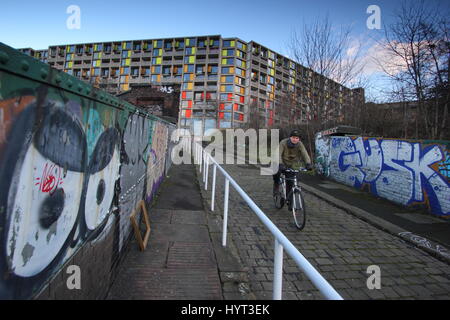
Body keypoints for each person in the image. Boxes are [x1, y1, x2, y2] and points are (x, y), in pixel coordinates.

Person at [273, 129, 312, 196]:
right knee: (276, 172)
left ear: (299, 139)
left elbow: (304, 153)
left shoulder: (300, 144)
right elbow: (278, 154)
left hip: (291, 164)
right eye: (293, 137)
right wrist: (280, 164)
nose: (295, 139)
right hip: (281, 162)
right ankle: (276, 185)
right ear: (290, 137)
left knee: (290, 181)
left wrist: (308, 163)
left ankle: (289, 199)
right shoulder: (283, 142)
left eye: (297, 138)